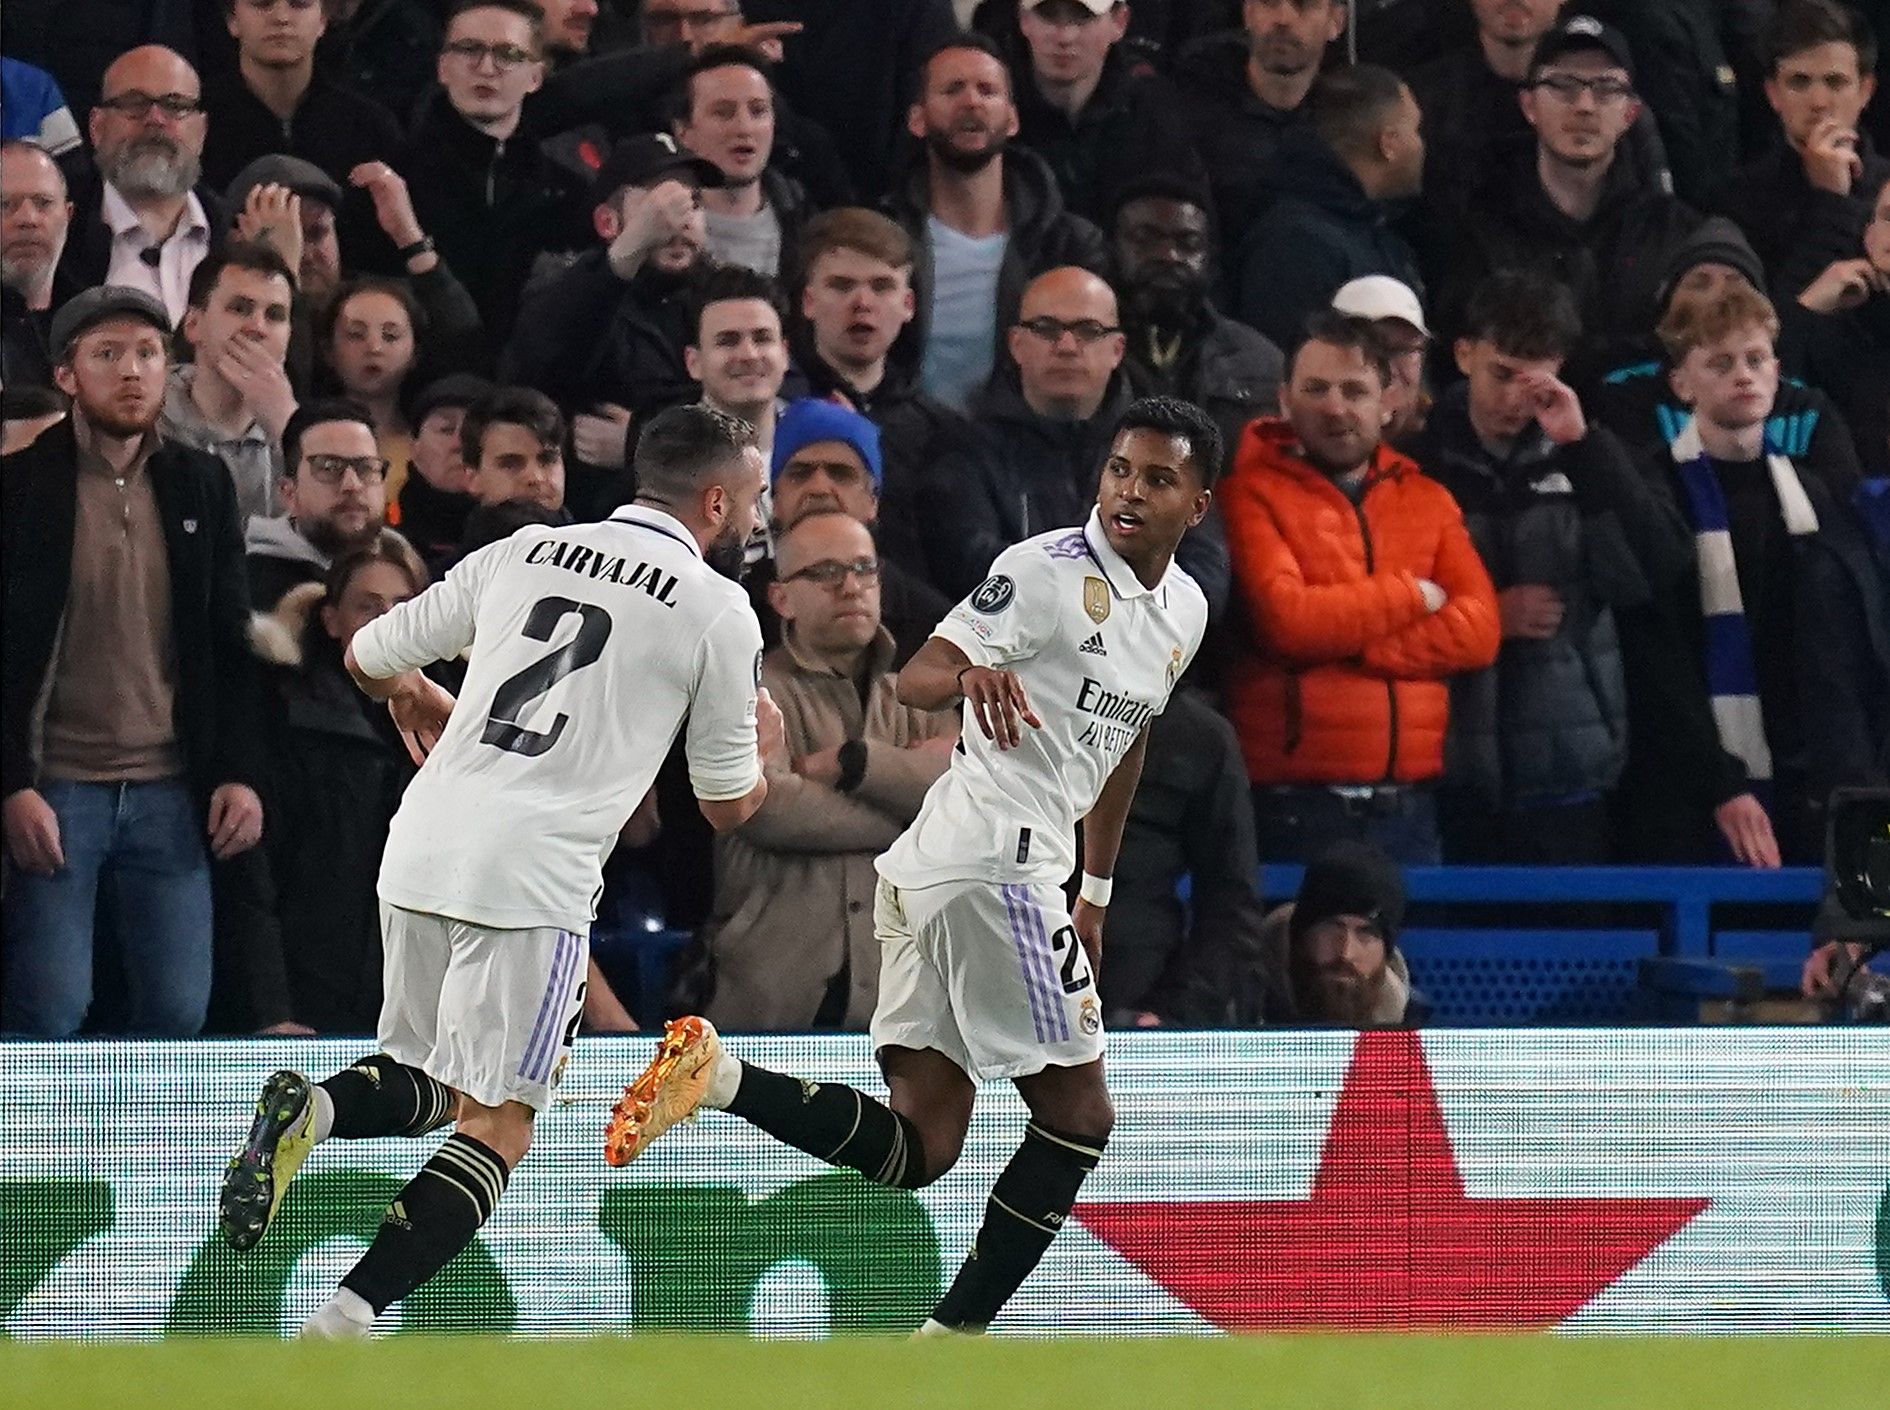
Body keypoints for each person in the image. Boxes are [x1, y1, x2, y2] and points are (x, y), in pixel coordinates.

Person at [602, 395, 1217, 1339]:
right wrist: (973, 673)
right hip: (991, 867)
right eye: (1120, 469)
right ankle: (947, 1353)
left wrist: (1094, 888)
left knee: (923, 1146)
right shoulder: (1044, 571)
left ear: (1196, 504)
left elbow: (1125, 741)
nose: (1129, 491)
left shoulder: (1183, 609)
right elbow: (918, 676)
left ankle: (716, 1080)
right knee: (1081, 1118)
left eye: (1157, 479)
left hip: (962, 874)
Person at [214, 403, 779, 1338]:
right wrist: (766, 750)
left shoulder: (526, 550)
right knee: (501, 1123)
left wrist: (429, 693)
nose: (755, 520)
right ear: (716, 500)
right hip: (534, 877)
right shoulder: (719, 610)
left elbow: (363, 653)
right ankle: (341, 1324)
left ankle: (311, 1104)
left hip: (426, 835)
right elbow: (725, 808)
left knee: (431, 1079)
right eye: (753, 500)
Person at [3, 287, 265, 1037]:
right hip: (58, 784)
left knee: (180, 1010)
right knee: (51, 1006)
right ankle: (31, 1154)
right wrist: (12, 785)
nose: (131, 372)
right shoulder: (17, 490)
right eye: (107, 354)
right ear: (66, 375)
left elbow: (229, 641)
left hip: (171, 787)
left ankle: (155, 1157)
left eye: (148, 354)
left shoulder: (200, 482)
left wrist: (237, 772)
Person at [1411, 271, 1689, 863]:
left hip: (1569, 760)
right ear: (1464, 355)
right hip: (1447, 759)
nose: (1515, 399)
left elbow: (1656, 571)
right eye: (1501, 374)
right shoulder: (1419, 459)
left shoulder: (1592, 451)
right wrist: (1489, 618)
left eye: (1535, 380)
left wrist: (1585, 449)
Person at [1222, 312, 1500, 864]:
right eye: (1316, 388)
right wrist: (1411, 597)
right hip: (1292, 808)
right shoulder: (1245, 493)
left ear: (1388, 401)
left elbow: (1479, 631)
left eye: (1355, 390)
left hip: (1411, 808)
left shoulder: (1428, 499)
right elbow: (1290, 624)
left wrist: (1354, 643)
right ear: (1283, 399)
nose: (1335, 406)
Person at [1622, 281, 1878, 865]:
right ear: (1681, 383)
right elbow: (1659, 656)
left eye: (1756, 360)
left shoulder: (1813, 494)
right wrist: (1722, 781)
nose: (1744, 375)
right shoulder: (1658, 491)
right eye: (1721, 363)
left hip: (1806, 773)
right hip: (1695, 782)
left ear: (1778, 372)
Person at [703, 509, 958, 1029]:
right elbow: (767, 808)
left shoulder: (921, 691)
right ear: (781, 598)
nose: (850, 586)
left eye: (864, 569)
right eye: (823, 573)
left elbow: (968, 804)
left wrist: (857, 765)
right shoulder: (748, 688)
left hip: (909, 994)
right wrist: (915, 818)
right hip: (774, 991)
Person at [932, 267, 1231, 616]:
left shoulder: (1171, 446)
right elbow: (969, 567)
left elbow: (1205, 574)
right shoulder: (963, 447)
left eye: (1088, 331)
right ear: (1016, 344)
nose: (1067, 346)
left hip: (1143, 655)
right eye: (1046, 329)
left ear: (1117, 349)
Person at [1439, 14, 1700, 383]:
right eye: (1562, 85)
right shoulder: (1480, 225)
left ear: (1630, 113)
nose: (1584, 106)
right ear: (1529, 106)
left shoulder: (1673, 231)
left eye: (1606, 88)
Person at [250, 533, 427, 1033]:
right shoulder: (291, 720)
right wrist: (273, 1008)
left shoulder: (454, 724)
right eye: (369, 607)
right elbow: (259, 877)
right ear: (332, 621)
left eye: (403, 606)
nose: (389, 622)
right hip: (315, 997)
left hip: (413, 1004)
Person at [887, 34, 1108, 413]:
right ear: (917, 119)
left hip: (1020, 450)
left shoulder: (1067, 245)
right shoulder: (885, 239)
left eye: (987, 90)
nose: (971, 101)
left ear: (1012, 119)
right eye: (953, 89)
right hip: (903, 446)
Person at [501, 132, 723, 508]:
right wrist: (625, 254)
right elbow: (539, 364)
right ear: (607, 222)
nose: (679, 221)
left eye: (692, 203)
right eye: (658, 205)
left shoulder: (724, 297)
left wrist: (640, 442)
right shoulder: (572, 293)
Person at [392, 0, 590, 344]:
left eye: (509, 54)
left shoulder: (567, 192)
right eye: (469, 49)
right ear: (442, 68)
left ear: (535, 77)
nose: (486, 67)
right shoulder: (396, 178)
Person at [791, 207, 969, 584]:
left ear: (908, 305)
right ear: (808, 301)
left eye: (882, 286)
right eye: (841, 285)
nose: (862, 303)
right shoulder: (776, 411)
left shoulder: (944, 431)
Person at [224, 154, 489, 389]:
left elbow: (465, 352)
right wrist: (281, 273)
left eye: (317, 233)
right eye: (288, 236)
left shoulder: (369, 300)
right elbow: (292, 383)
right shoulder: (225, 309)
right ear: (238, 238)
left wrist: (410, 239)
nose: (303, 253)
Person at [1103, 685, 1269, 1027]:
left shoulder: (1201, 739)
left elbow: (1232, 906)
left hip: (1135, 1001)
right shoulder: (1012, 708)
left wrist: (1174, 1012)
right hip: (1007, 985)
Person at [1233, 63, 1426, 352]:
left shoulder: (1372, 232)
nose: (1422, 144)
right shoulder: (1295, 243)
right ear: (1389, 144)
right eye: (1415, 129)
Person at [200, 0, 405, 268]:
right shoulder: (199, 121)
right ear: (232, 20)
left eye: (299, 4)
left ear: (323, 20)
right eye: (262, 4)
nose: (281, 18)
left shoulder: (370, 125)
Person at [1711, 0, 1886, 300]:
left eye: (1835, 82)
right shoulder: (1736, 202)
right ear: (1773, 94)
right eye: (1799, 82)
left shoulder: (1888, 185)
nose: (1818, 101)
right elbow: (1765, 325)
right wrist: (1831, 202)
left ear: (1865, 91)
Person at [1109, 173, 1283, 472]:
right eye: (1145, 239)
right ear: (1112, 246)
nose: (1168, 256)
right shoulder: (1080, 351)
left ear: (1210, 257)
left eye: (1188, 243)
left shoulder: (1256, 361)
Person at [762, 398, 953, 665]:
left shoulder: (934, 628)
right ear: (775, 500)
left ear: (872, 501)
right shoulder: (739, 610)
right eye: (800, 474)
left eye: (840, 474)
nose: (819, 488)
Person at [60, 47, 227, 323]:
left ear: (202, 131)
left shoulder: (235, 232)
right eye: (134, 103)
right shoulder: (61, 236)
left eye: (175, 106)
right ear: (96, 127)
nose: (155, 120)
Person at [1006, 0, 1203, 226]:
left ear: (1120, 22)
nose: (1065, 37)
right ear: (1023, 19)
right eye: (1048, 15)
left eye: (1083, 17)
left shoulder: (1155, 113)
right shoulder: (992, 109)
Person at [1172, 0, 1346, 250]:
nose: (1283, 18)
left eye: (1304, 5)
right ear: (1248, 13)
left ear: (1336, 22)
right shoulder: (1187, 106)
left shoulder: (1347, 126)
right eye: (1269, 3)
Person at [159, 241, 299, 524]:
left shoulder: (308, 432)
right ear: (193, 325)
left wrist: (289, 429)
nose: (257, 327)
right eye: (239, 308)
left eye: (274, 315)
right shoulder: (146, 417)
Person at [671, 44, 814, 280]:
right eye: (723, 113)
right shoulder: (661, 236)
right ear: (684, 131)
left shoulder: (804, 222)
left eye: (758, 111)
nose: (744, 127)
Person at [1787, 178, 1890, 479]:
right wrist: (1808, 306)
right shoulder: (1832, 328)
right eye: (1888, 217)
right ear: (1869, 235)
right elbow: (1775, 401)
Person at [1262, 840, 1427, 1027]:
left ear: (1385, 953)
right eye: (1332, 928)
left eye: (1366, 934)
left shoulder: (1408, 1027)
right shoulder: (1241, 1000)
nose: (1345, 953)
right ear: (1301, 935)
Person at [246, 398, 391, 608]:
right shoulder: (250, 590)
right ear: (289, 494)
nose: (352, 485)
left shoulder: (409, 572)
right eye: (328, 467)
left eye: (366, 467)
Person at [317, 277, 424, 495]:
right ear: (328, 350)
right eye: (356, 335)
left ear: (415, 353)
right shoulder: (310, 442)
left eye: (391, 336)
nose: (374, 348)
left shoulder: (426, 447)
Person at [1, 140, 80, 390]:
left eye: (43, 203)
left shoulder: (97, 324)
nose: (27, 219)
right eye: (4, 205)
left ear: (68, 216)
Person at [396, 374, 492, 570]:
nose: (459, 444)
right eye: (446, 430)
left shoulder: (521, 539)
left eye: (473, 431)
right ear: (414, 447)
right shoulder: (384, 544)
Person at [1331, 273, 1431, 445]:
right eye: (1377, 348)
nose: (1391, 370)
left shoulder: (1443, 447)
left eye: (1405, 351)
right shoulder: (1305, 445)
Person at [461, 386, 572, 521]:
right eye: (511, 464)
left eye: (547, 460)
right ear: (472, 478)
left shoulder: (602, 541)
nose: (535, 477)